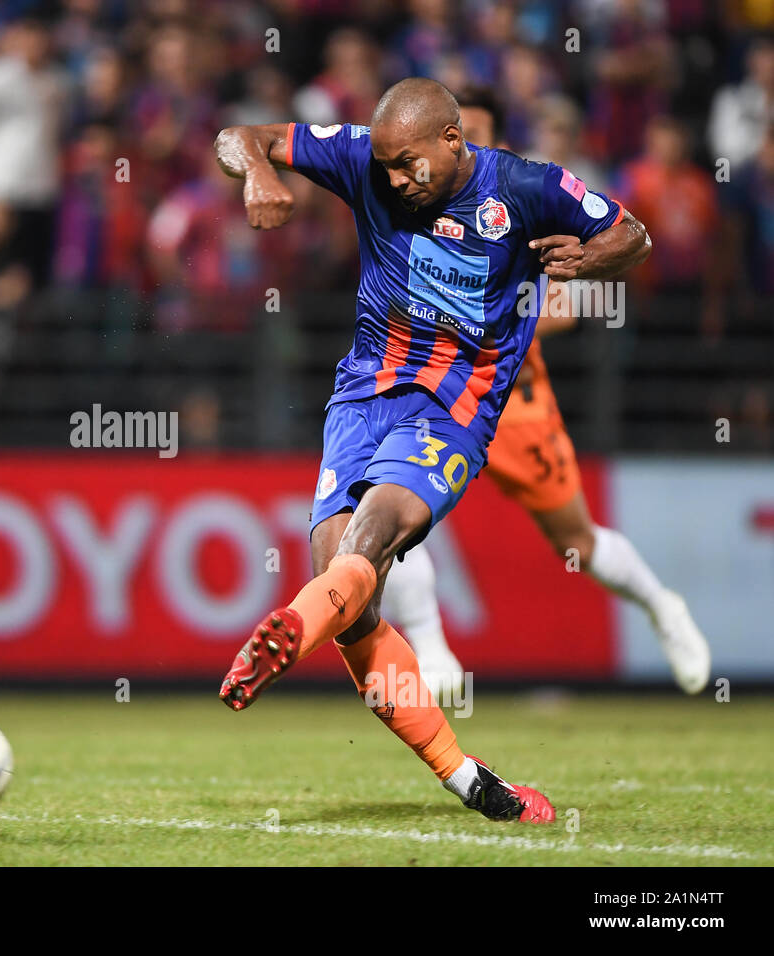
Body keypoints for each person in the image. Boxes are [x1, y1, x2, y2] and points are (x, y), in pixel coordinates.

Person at [213, 78, 652, 823]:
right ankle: (469, 780)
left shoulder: (525, 185)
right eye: (384, 166)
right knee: (350, 610)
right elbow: (241, 135)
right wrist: (257, 171)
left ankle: (288, 627)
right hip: (360, 399)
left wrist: (586, 260)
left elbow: (632, 235)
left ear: (453, 140)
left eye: (407, 165)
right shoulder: (359, 158)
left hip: (453, 410)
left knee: (370, 538)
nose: (392, 181)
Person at [384, 89, 711, 699]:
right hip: (430, 391)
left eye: (470, 134)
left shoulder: (524, 195)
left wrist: (512, 300)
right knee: (392, 516)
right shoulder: (411, 193)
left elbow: (581, 293)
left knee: (576, 541)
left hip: (514, 402)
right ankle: (431, 647)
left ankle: (663, 605)